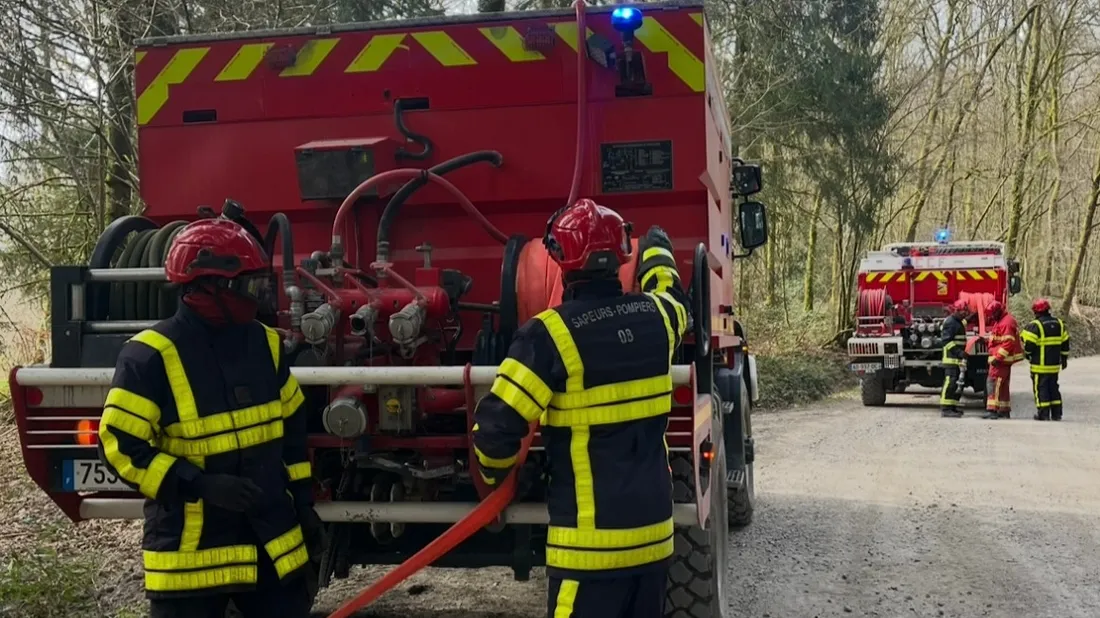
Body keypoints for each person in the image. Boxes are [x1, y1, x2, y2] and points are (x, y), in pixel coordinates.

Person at [472, 198, 689, 618]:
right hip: (653, 543)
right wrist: (658, 252)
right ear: (622, 256)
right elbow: (675, 297)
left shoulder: (547, 336)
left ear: (560, 260)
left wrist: (494, 476)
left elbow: (496, 432)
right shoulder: (659, 319)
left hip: (588, 556)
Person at [97, 215, 322, 618]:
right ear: (205, 288)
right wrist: (199, 484)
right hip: (192, 559)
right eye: (247, 286)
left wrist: (304, 506)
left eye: (260, 284)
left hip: (271, 546)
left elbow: (292, 437)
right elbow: (120, 448)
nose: (257, 297)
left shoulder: (266, 345)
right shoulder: (149, 356)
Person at [1020, 298, 1071, 421]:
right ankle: (1056, 414)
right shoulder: (1059, 324)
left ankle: (1043, 414)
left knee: (1040, 389)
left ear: (1036, 312)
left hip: (1039, 366)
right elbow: (1065, 344)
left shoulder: (1035, 326)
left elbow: (1028, 346)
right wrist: (1064, 359)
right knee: (1053, 388)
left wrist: (1027, 355)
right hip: (1054, 366)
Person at [983, 300, 1024, 420]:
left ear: (997, 312)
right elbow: (1000, 339)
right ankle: (1003, 410)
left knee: (993, 383)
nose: (991, 317)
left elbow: (1008, 343)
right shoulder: (1003, 320)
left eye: (992, 315)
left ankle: (992, 410)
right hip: (1003, 360)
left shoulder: (1006, 322)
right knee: (1003, 386)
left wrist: (998, 358)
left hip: (1000, 361)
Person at [939, 300, 970, 418]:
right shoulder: (951, 322)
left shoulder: (958, 322)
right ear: (956, 311)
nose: (964, 314)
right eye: (963, 311)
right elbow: (946, 341)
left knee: (956, 384)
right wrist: (959, 353)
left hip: (957, 359)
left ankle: (952, 407)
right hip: (950, 359)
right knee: (950, 383)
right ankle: (945, 408)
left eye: (966, 312)